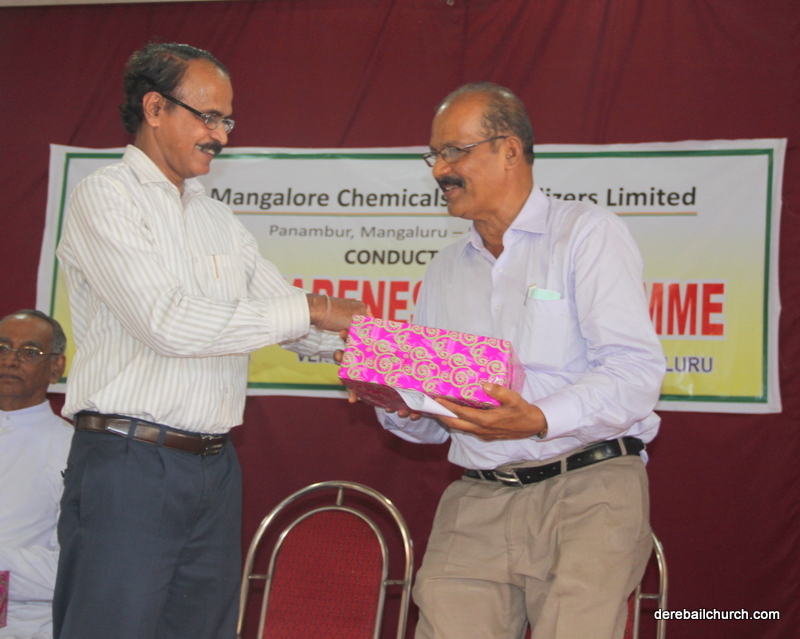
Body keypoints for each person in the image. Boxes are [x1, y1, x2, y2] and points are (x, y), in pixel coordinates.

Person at [53, 43, 364, 639]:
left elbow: (287, 317)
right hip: (128, 465)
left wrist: (378, 361)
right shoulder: (105, 196)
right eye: (209, 117)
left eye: (227, 121)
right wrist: (318, 307)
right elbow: (167, 323)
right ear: (154, 108)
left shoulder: (218, 220)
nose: (221, 135)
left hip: (214, 470)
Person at [371, 83, 666, 639]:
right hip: (477, 496)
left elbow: (634, 372)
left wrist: (538, 418)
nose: (440, 170)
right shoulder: (445, 269)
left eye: (453, 151)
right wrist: (399, 401)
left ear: (508, 150)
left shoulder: (586, 234)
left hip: (587, 488)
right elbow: (434, 423)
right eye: (434, 156)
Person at [0, 310, 72, 639]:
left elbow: (73, 568)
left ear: (56, 367)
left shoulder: (73, 450)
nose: (10, 360)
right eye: (2, 347)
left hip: (22, 626)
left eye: (29, 352)